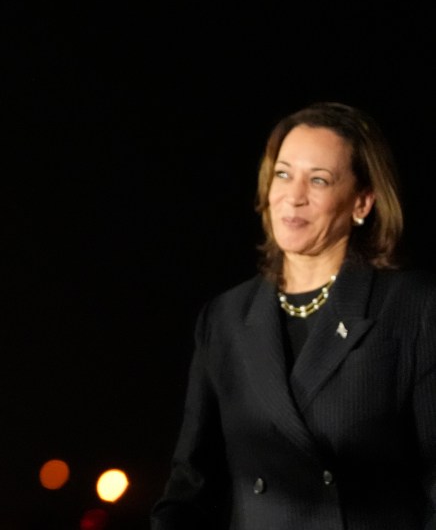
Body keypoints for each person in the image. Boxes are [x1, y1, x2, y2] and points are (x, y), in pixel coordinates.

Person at [151, 101, 436, 529]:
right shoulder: (225, 318)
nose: (294, 195)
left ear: (362, 201)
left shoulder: (414, 306)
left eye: (318, 180)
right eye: (283, 174)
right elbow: (192, 485)